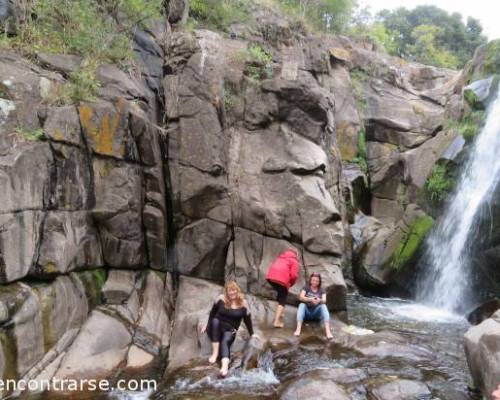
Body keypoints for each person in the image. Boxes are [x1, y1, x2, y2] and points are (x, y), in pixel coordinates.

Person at [200, 281, 257, 377]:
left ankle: (225, 366)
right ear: (226, 291)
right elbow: (212, 313)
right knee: (215, 321)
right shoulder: (221, 299)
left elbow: (247, 320)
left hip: (230, 330)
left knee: (225, 341)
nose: (232, 293)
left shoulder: (243, 304)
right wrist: (206, 324)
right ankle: (215, 353)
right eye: (230, 291)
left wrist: (252, 333)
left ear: (237, 291)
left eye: (234, 290)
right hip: (215, 327)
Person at [265, 249, 300, 328]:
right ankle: (276, 321)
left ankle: (281, 313)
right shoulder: (294, 261)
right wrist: (290, 284)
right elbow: (294, 275)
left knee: (281, 292)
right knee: (283, 298)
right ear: (296, 255)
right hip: (281, 278)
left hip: (270, 277)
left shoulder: (281, 257)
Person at [293, 272, 333, 340]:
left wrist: (319, 300)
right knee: (301, 304)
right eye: (313, 280)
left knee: (323, 306)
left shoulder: (321, 290)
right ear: (310, 280)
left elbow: (324, 300)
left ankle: (328, 331)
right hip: (307, 313)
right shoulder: (306, 287)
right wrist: (310, 299)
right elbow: (301, 297)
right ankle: (298, 329)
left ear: (319, 282)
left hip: (316, 314)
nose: (314, 282)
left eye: (316, 281)